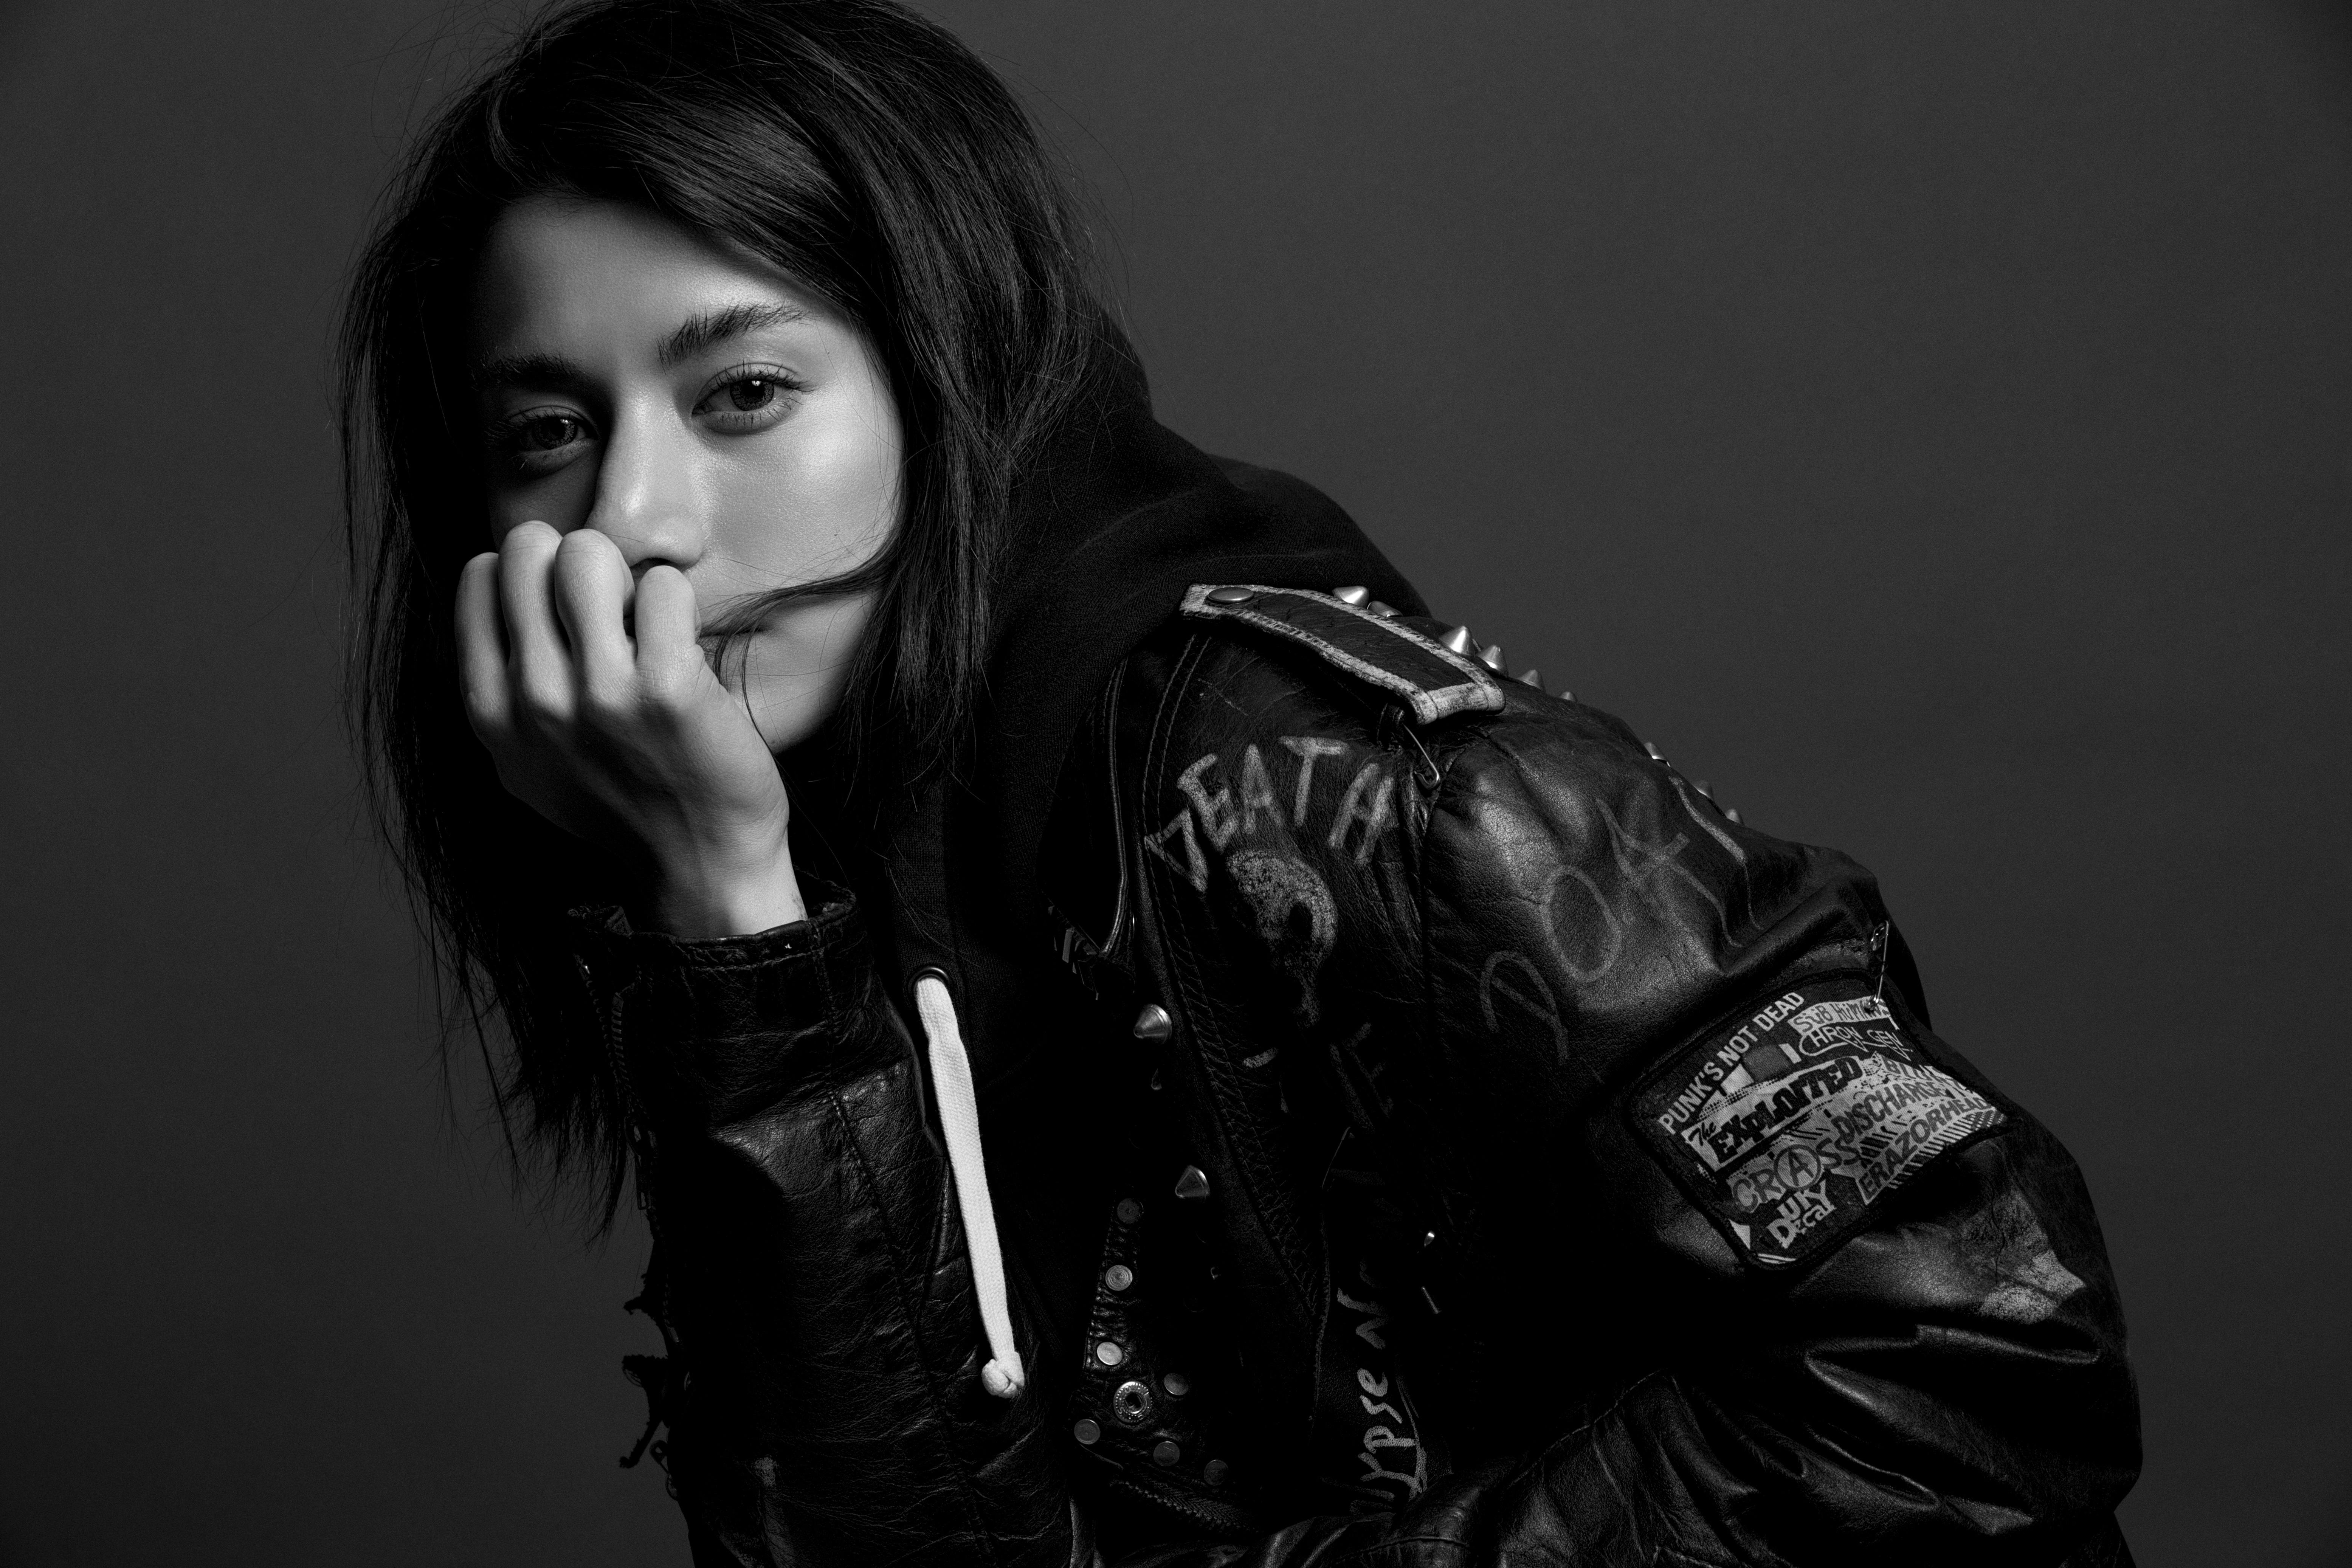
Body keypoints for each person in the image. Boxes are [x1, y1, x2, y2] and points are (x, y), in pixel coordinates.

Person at [341, 2, 2142, 1563]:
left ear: (950, 378)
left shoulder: (1337, 780)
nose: (630, 521)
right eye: (548, 432)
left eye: (739, 392)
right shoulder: (773, 846)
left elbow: (1983, 1371)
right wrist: (734, 928)